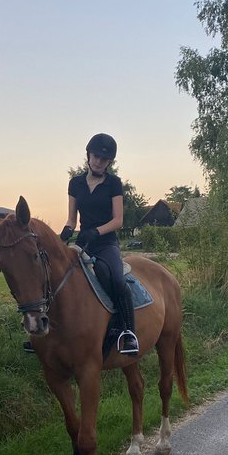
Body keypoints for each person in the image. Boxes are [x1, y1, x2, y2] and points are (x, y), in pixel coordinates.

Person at [59, 133, 139, 355]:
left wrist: (96, 231)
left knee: (114, 278)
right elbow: (71, 219)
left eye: (104, 159)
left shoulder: (114, 183)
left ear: (109, 162)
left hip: (106, 243)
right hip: (84, 242)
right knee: (56, 276)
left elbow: (118, 220)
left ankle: (128, 332)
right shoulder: (75, 183)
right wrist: (65, 233)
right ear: (89, 155)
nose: (98, 161)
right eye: (96, 156)